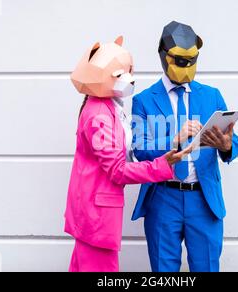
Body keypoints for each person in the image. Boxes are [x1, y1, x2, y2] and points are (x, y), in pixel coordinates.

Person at [64, 36, 191, 272]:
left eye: (129, 71)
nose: (129, 79)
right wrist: (163, 165)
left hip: (92, 214)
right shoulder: (99, 116)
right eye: (120, 74)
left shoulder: (108, 106)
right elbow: (118, 170)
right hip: (96, 216)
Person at [131, 21, 238, 272]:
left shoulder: (212, 95)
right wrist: (173, 141)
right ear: (164, 56)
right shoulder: (144, 100)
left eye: (193, 60)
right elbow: (139, 148)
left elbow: (233, 141)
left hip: (203, 199)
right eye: (181, 61)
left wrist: (226, 145)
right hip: (163, 197)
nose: (187, 67)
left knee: (207, 267)